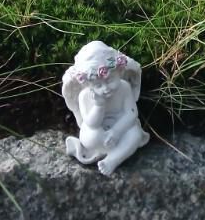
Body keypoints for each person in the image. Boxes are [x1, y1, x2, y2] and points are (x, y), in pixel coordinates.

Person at [62, 41, 150, 176]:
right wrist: (99, 105)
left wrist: (116, 132)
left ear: (119, 72)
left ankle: (112, 160)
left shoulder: (124, 88)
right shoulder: (85, 96)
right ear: (88, 84)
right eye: (98, 85)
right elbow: (91, 124)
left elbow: (131, 114)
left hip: (121, 128)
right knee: (90, 136)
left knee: (135, 134)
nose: (105, 88)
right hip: (98, 133)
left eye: (109, 81)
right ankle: (114, 150)